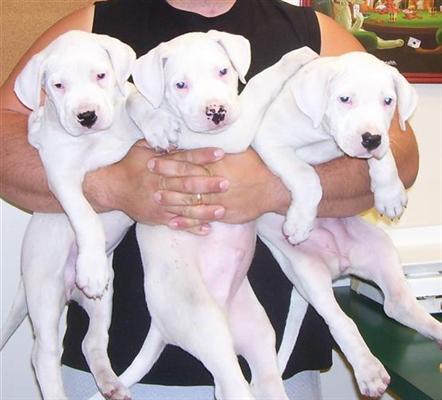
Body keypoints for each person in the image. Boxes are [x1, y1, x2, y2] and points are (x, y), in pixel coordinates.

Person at [0, 0, 418, 399]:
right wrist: (111, 188)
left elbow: (401, 155)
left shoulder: (313, 33)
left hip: (273, 367)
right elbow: (5, 137)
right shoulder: (92, 26)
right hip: (120, 364)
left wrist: (272, 188)